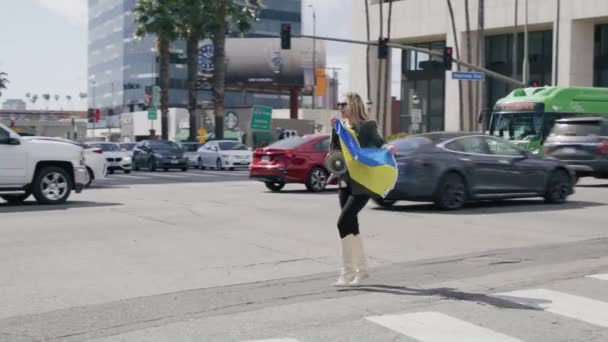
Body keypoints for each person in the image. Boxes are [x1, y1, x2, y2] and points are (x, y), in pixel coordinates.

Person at [329, 92, 395, 287]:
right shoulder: (340, 127)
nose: (340, 108)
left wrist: (388, 147)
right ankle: (361, 271)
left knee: (342, 223)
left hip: (363, 182)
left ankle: (347, 272)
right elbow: (335, 152)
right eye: (338, 104)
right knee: (351, 225)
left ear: (354, 105)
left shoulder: (367, 126)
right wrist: (333, 166)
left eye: (344, 104)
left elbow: (378, 141)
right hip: (345, 181)